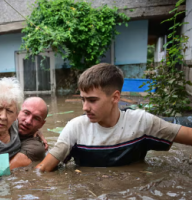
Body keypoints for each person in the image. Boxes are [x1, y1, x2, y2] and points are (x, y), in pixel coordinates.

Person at [36, 63, 192, 172]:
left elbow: (187, 136)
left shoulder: (142, 122)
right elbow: (43, 169)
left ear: (115, 97)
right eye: (83, 99)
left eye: (92, 100)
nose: (84, 107)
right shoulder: (75, 128)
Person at [10, 97, 48, 169]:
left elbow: (4, 169)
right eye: (26, 113)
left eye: (36, 118)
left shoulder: (36, 148)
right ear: (17, 111)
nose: (28, 121)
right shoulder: (6, 122)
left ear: (41, 124)